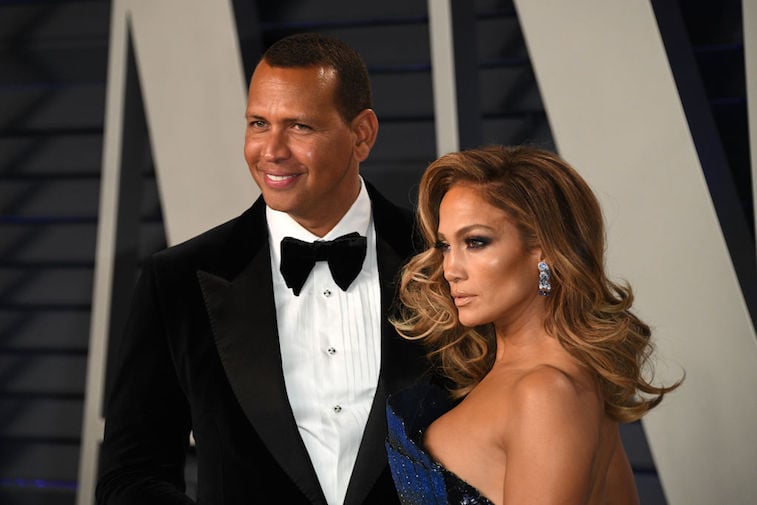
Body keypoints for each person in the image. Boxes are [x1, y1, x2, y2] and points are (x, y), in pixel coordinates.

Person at [96, 33, 428, 505]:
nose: (271, 150)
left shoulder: (440, 261)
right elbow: (129, 475)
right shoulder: (176, 282)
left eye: (299, 127)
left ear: (362, 134)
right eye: (258, 123)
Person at [385, 145, 681, 505]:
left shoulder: (545, 392)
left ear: (544, 250)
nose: (450, 269)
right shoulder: (555, 382)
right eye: (445, 246)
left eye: (475, 242)